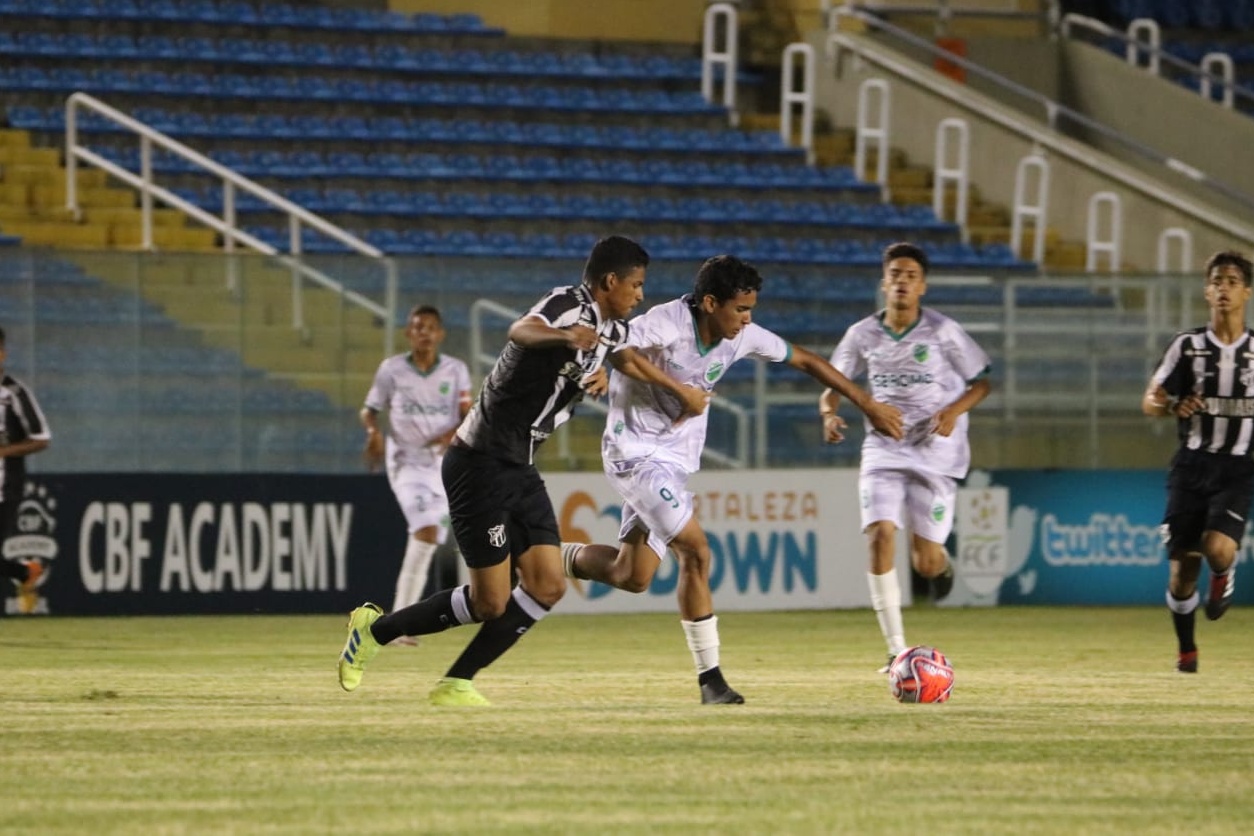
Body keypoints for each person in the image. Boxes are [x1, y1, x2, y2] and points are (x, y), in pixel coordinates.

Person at [337, 236, 710, 705]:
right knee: (489, 601)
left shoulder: (612, 330)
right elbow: (522, 330)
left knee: (548, 585)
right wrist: (564, 337)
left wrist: (643, 382)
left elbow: (622, 356)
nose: (640, 295)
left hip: (519, 465)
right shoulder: (567, 304)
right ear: (609, 281)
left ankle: (457, 682)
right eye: (635, 285)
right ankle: (373, 631)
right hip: (478, 460)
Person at [560, 255, 904, 703]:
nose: (747, 319)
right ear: (708, 302)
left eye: (750, 310)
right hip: (635, 454)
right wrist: (679, 390)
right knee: (696, 551)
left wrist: (867, 404)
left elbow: (805, 360)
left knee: (633, 574)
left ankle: (543, 555)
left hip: (674, 463)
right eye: (740, 310)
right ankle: (712, 682)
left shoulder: (740, 335)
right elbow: (618, 349)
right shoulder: (667, 322)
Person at [818, 242, 991, 672]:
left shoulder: (942, 331)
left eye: (911, 275)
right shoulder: (862, 334)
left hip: (934, 451)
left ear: (923, 287)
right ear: (884, 282)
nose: (902, 281)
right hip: (883, 447)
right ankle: (896, 650)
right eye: (895, 273)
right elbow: (833, 383)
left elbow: (983, 382)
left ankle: (942, 564)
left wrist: (953, 411)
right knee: (879, 535)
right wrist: (828, 414)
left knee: (925, 563)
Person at [1142, 249, 1254, 674]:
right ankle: (1187, 651)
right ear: (1207, 292)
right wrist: (1170, 405)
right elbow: (1150, 400)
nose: (1223, 288)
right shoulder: (1186, 346)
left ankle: (1224, 573)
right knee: (1182, 574)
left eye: (1231, 281)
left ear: (1246, 291)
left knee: (1216, 547)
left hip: (1238, 467)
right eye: (1216, 282)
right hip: (1190, 467)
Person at [361, 304, 472, 644]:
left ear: (440, 334)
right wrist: (373, 433)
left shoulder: (455, 370)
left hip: (443, 463)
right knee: (425, 531)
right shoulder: (392, 370)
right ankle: (395, 625)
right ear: (408, 333)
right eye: (417, 327)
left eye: (430, 327)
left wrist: (450, 433)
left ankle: (400, 624)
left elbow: (468, 413)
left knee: (429, 539)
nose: (424, 332)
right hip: (406, 461)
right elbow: (370, 410)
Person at [0, 325, 51, 613]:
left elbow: (42, 438)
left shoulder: (15, 393)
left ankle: (25, 573)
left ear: (2, 354)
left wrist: (4, 451)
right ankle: (25, 572)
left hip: (5, 487)